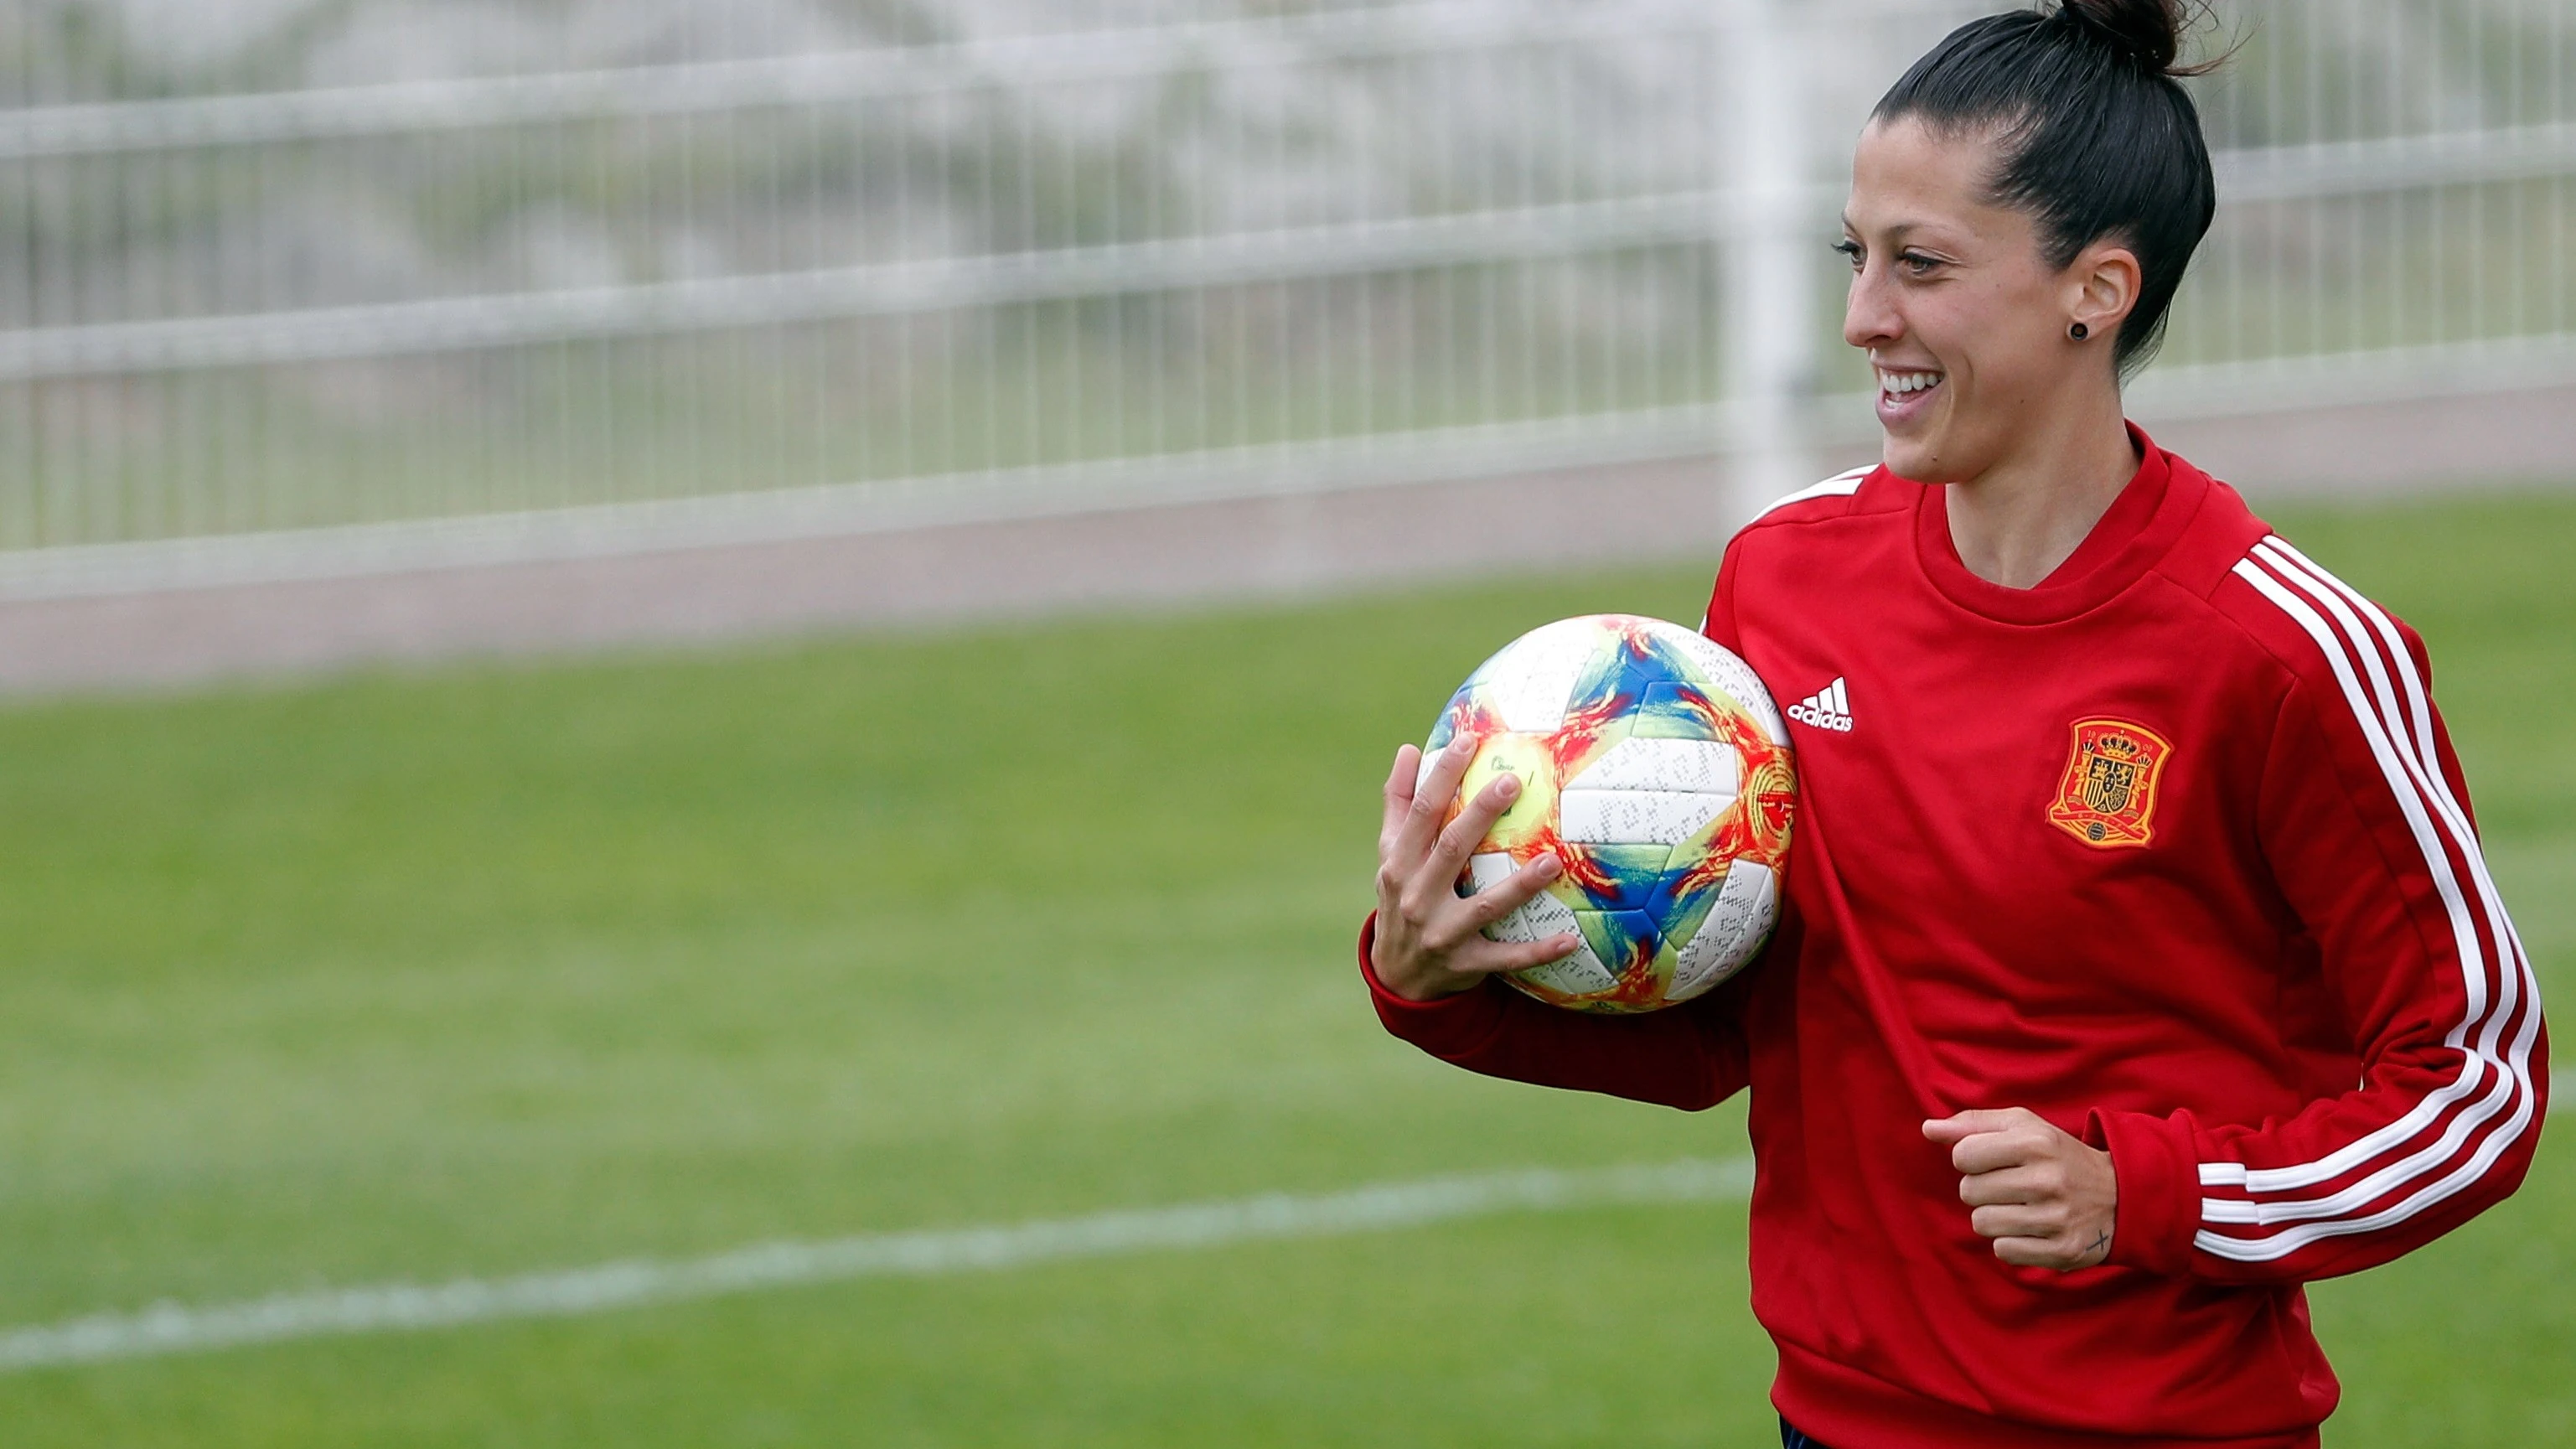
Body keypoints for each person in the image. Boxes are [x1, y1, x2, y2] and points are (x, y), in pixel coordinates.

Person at [1357, 3, 2549, 1446]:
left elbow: (2472, 1091)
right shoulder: (1780, 580)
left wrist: (2147, 1197)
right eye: (1852, 256)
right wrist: (1446, 978)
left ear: (2093, 289)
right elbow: (1739, 1027)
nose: (1863, 315)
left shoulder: (2286, 655)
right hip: (1838, 1418)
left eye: (1918, 265)